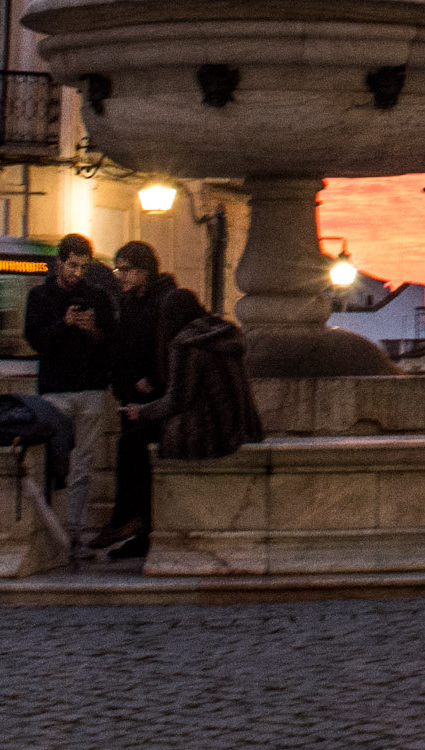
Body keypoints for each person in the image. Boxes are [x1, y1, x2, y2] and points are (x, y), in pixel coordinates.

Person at [21, 234, 122, 551]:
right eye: (72, 265)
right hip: (55, 390)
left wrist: (92, 330)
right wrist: (63, 324)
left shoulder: (98, 296)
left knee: (83, 464)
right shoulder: (40, 296)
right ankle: (50, 527)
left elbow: (110, 342)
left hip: (90, 388)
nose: (77, 273)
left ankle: (74, 531)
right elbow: (35, 340)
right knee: (53, 460)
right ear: (59, 262)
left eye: (83, 267)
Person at [97, 243, 187, 558]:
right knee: (135, 460)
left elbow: (171, 347)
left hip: (154, 400)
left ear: (144, 270)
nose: (119, 275)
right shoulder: (131, 302)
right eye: (117, 268)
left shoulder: (165, 301)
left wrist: (153, 377)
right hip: (128, 396)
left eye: (125, 269)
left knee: (136, 455)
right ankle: (139, 534)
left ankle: (131, 523)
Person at [123, 291, 256, 462]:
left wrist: (142, 411)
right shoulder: (223, 334)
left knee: (130, 441)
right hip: (239, 426)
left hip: (207, 431)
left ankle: (138, 490)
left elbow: (178, 398)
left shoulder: (186, 344)